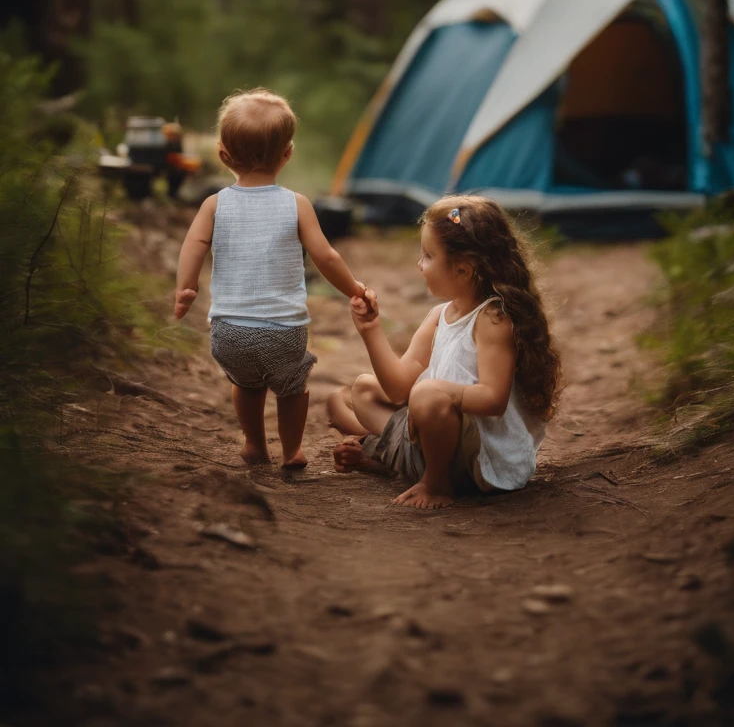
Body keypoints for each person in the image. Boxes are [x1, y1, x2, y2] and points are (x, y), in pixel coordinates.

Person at [174, 88, 369, 468]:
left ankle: (255, 446)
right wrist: (353, 289)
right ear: (287, 154)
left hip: (228, 329)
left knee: (246, 385)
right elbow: (325, 256)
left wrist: (187, 288)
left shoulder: (214, 204)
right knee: (292, 388)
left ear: (223, 155)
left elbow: (192, 246)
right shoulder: (296, 204)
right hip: (283, 330)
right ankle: (292, 451)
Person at [328, 195, 562, 509]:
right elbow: (397, 387)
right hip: (434, 437)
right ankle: (385, 455)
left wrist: (441, 392)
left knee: (425, 395)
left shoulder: (493, 320)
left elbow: (493, 400)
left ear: (464, 271)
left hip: (479, 461)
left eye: (428, 256)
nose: (419, 264)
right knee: (360, 391)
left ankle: (435, 484)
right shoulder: (439, 316)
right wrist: (370, 329)